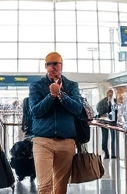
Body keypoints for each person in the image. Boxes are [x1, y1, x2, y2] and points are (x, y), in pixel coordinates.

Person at [29, 52, 85, 194]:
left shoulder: (71, 86)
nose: (53, 67)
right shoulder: (37, 86)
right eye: (49, 64)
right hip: (42, 141)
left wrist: (61, 94)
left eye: (56, 64)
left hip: (66, 142)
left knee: (61, 187)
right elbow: (35, 111)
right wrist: (51, 95)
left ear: (61, 65)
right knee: (45, 186)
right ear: (45, 67)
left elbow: (77, 109)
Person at [96, 89, 118, 159]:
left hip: (113, 123)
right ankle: (106, 152)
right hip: (104, 123)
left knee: (113, 139)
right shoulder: (101, 102)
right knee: (105, 138)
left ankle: (113, 154)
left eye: (112, 94)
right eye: (110, 94)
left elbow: (117, 112)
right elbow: (100, 111)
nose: (111, 95)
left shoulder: (115, 102)